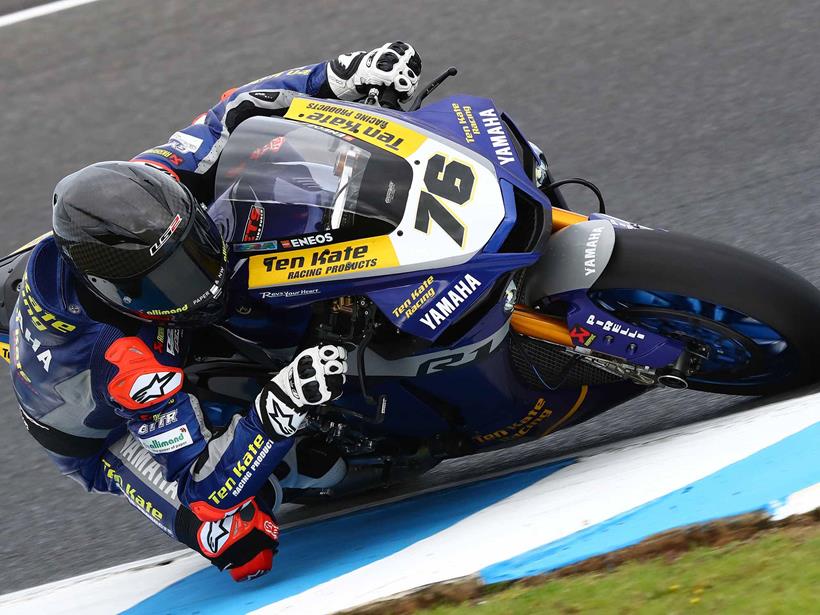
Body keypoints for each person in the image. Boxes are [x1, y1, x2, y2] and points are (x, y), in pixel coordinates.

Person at [7, 42, 421, 582]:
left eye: (192, 253)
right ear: (118, 290)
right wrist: (282, 405)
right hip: (99, 427)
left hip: (111, 314)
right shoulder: (128, 368)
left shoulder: (150, 184)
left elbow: (240, 108)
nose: (199, 281)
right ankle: (310, 462)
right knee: (233, 536)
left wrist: (341, 76)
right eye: (170, 279)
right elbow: (201, 484)